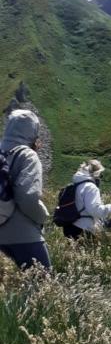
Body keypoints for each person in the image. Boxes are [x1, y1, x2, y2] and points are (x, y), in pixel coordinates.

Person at [0, 109, 50, 269]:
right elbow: (28, 198)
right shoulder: (27, 155)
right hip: (24, 236)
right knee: (44, 288)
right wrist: (43, 216)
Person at [63, 160, 111, 239]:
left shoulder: (76, 184)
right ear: (96, 173)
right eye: (101, 175)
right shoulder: (91, 187)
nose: (100, 178)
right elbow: (94, 210)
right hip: (84, 229)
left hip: (70, 226)